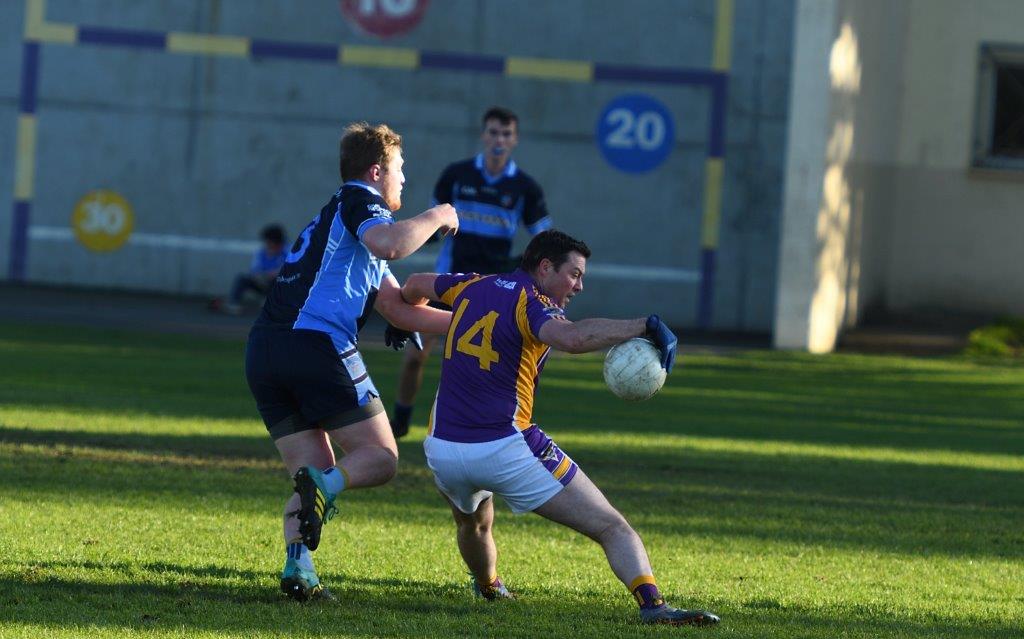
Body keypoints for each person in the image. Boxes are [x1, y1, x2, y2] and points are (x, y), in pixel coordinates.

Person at [398, 230, 720, 627]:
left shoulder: (471, 284)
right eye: (575, 274)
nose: (579, 286)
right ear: (545, 267)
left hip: (443, 449)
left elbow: (413, 285)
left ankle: (489, 587)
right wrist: (645, 325)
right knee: (612, 525)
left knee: (474, 523)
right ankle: (653, 605)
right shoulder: (533, 303)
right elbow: (572, 337)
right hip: (505, 447)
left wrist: (406, 319)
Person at [244, 122, 459, 601]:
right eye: (400, 169)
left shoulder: (347, 228)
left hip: (265, 351)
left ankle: (299, 568)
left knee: (313, 476)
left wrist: (476, 324)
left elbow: (398, 307)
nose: (404, 179)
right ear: (376, 170)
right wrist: (438, 214)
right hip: (314, 345)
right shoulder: (360, 200)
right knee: (380, 460)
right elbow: (392, 244)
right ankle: (324, 489)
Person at [389, 106, 553, 438]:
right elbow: (433, 222)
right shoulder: (457, 175)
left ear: (515, 140)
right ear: (483, 135)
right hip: (446, 283)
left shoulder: (525, 188)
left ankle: (492, 430)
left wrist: (530, 266)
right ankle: (401, 422)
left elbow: (546, 241)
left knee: (490, 367)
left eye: (506, 134)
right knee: (414, 358)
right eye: (493, 132)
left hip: (495, 291)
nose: (499, 139)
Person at [209, 224, 287, 315]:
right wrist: (259, 276)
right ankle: (233, 303)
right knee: (242, 278)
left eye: (270, 241)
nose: (268, 243)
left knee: (278, 279)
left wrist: (274, 274)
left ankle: (272, 301)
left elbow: (287, 271)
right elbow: (254, 270)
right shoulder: (262, 252)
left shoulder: (287, 252)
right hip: (262, 282)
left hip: (278, 285)